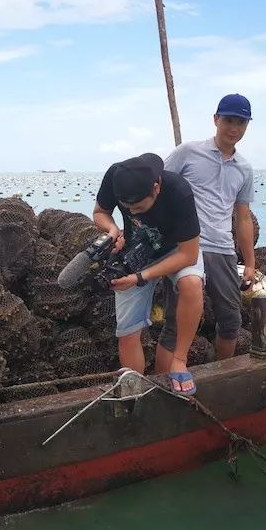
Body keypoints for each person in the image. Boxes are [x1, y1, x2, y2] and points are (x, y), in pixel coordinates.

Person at [93, 152, 203, 394]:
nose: (133, 213)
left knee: (192, 284)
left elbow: (189, 255)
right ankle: (136, 389)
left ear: (156, 188)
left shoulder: (179, 191)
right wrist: (112, 229)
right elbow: (100, 212)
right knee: (128, 332)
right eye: (127, 207)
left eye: (139, 207)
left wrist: (140, 278)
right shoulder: (115, 176)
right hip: (135, 251)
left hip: (176, 249)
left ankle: (179, 361)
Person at [164, 93, 256, 363]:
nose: (234, 128)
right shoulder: (188, 152)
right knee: (174, 325)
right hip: (186, 248)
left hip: (223, 250)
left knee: (230, 321)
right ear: (216, 119)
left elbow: (243, 218)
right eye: (228, 120)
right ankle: (163, 383)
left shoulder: (245, 168)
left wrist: (249, 262)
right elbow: (159, 187)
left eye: (241, 122)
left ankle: (219, 374)